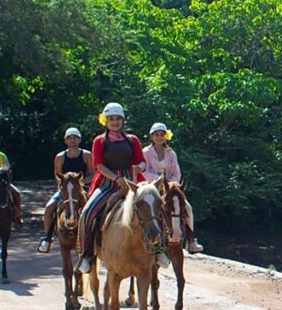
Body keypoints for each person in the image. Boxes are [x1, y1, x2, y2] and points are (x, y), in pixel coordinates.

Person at [76, 102, 169, 274]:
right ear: (106, 121)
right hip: (108, 183)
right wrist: (116, 178)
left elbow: (141, 160)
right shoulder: (100, 141)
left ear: (122, 121)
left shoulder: (132, 140)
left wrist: (139, 168)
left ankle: (159, 250)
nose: (115, 122)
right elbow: (99, 165)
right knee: (87, 212)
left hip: (133, 183)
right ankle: (86, 254)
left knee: (156, 208)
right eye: (111, 119)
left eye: (118, 119)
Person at [142, 122, 203, 254]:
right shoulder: (145, 152)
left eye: (162, 135)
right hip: (152, 187)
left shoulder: (171, 153)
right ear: (151, 137)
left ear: (166, 136)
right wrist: (159, 181)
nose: (159, 137)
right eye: (156, 135)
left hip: (169, 188)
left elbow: (177, 173)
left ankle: (191, 240)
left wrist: (171, 184)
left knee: (187, 207)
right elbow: (144, 172)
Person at [37, 127, 94, 253]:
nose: (72, 140)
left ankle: (96, 234)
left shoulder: (86, 155)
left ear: (79, 139)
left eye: (75, 137)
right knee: (49, 207)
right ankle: (47, 237)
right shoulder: (60, 157)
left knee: (94, 206)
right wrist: (66, 185)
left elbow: (92, 173)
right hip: (65, 189)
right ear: (65, 140)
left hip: (82, 187)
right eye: (69, 138)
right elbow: (57, 176)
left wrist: (81, 182)